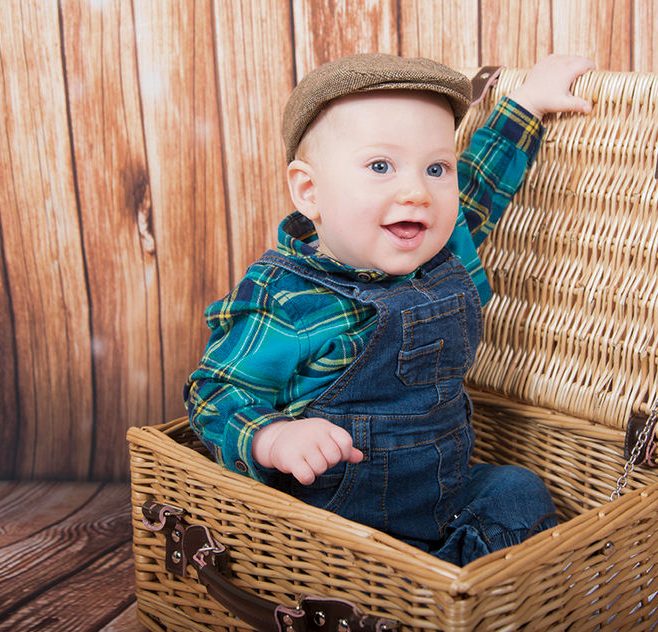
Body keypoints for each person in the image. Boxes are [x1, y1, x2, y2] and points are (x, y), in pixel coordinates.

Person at [185, 52, 594, 565]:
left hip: (445, 494)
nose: (417, 191)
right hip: (335, 517)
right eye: (381, 166)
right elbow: (215, 389)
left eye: (436, 168)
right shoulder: (289, 298)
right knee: (332, 551)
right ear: (310, 191)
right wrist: (272, 437)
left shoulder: (445, 253)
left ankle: (461, 593)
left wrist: (527, 106)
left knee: (517, 489)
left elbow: (479, 186)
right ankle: (414, 585)